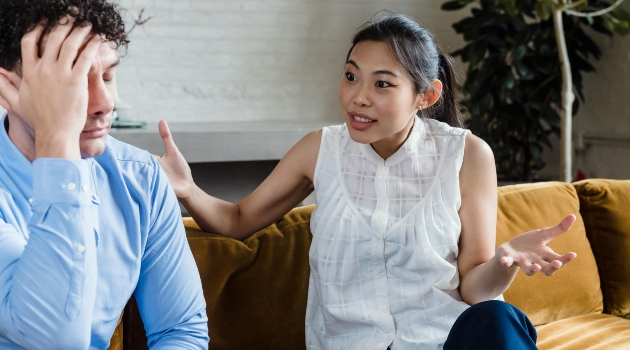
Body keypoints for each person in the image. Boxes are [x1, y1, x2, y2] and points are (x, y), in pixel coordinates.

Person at [154, 13, 577, 350]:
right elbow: (238, 219)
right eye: (352, 76)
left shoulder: (467, 155)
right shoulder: (320, 149)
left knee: (498, 319)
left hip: (442, 340)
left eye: (382, 84)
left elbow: (474, 288)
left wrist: (503, 261)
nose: (358, 96)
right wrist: (188, 190)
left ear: (427, 96)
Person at [0, 1, 208, 349]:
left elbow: (180, 331)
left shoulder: (141, 179)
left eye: (107, 76)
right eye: (73, 81)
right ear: (7, 89)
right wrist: (59, 138)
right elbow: (55, 340)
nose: (106, 102)